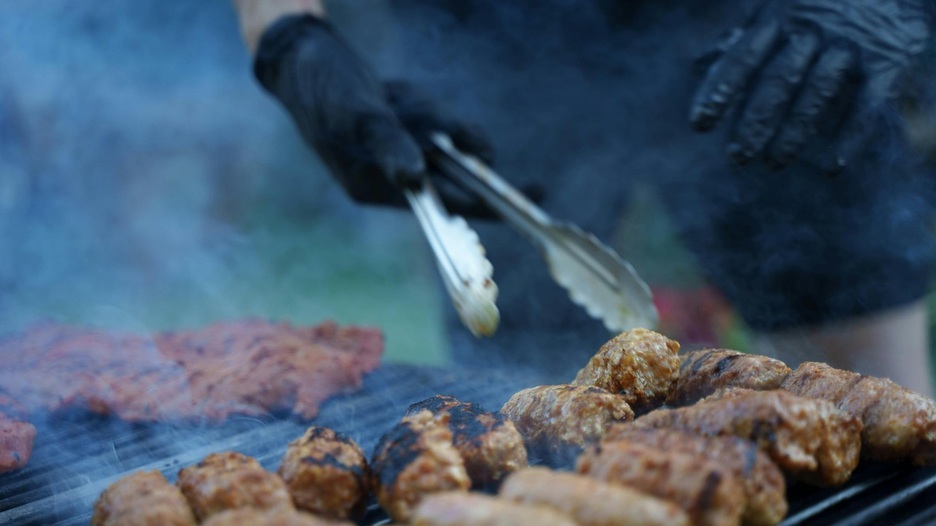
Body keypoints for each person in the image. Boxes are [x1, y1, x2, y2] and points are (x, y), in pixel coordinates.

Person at [232, 0, 936, 396]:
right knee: (525, 393)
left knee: (873, 402)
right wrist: (287, 35)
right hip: (497, 45)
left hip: (779, 37)